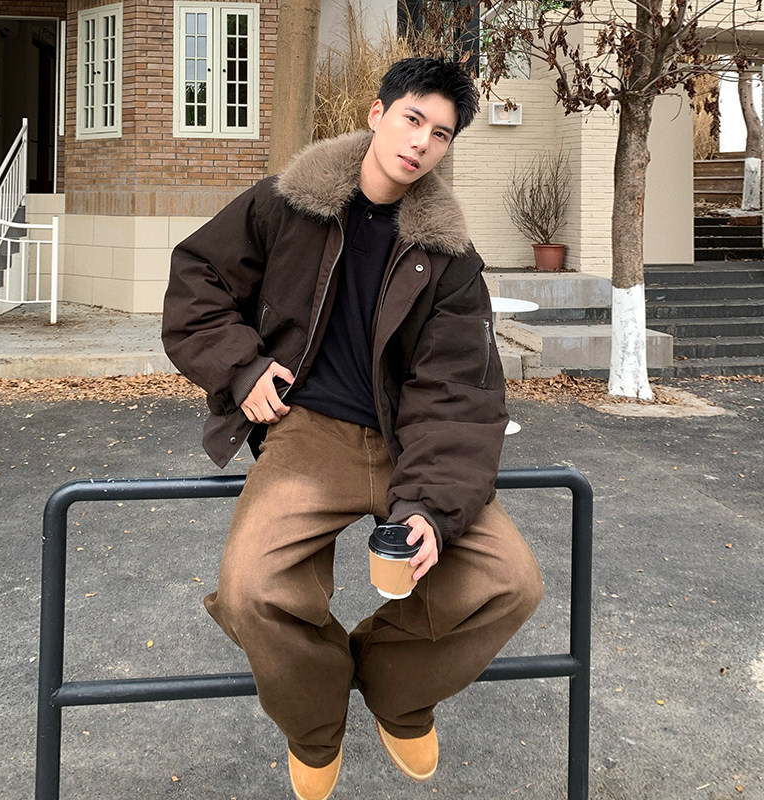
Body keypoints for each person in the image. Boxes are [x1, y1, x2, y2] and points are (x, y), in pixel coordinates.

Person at [162, 57, 543, 800]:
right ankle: (316, 725)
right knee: (251, 591)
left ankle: (395, 692)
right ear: (377, 114)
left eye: (441, 133)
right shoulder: (285, 205)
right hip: (310, 434)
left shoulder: (450, 258)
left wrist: (429, 506)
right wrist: (242, 369)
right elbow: (195, 280)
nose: (421, 142)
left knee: (510, 583)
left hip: (410, 443)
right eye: (412, 119)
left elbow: (458, 393)